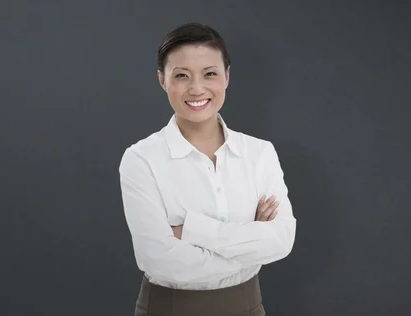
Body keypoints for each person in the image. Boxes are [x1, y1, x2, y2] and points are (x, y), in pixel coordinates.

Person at [118, 22, 297, 316]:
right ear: (162, 80)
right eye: (181, 76)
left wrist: (191, 230)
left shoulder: (260, 153)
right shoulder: (141, 159)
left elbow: (281, 241)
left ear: (227, 76)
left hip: (248, 308)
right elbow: (159, 261)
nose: (197, 88)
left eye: (210, 73)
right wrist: (250, 241)